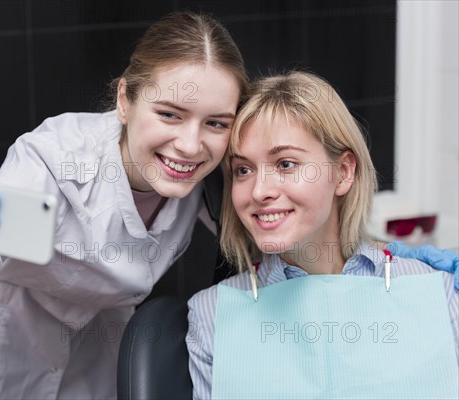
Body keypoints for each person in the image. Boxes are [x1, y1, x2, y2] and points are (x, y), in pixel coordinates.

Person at [0, 11, 454, 399]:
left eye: (216, 124)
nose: (190, 146)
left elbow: (290, 210)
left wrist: (395, 265)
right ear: (123, 98)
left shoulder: (210, 175)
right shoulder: (53, 173)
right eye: (168, 114)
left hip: (89, 360)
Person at [186, 71, 459, 399]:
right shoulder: (212, 316)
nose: (259, 191)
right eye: (243, 170)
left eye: (286, 164)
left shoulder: (438, 293)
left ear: (343, 172)